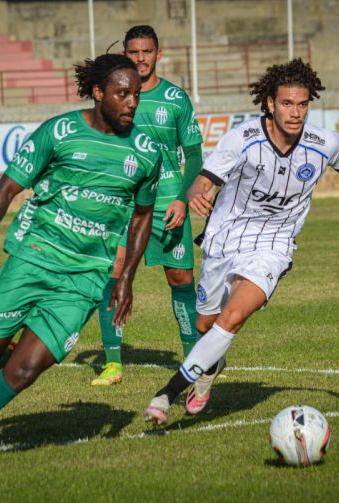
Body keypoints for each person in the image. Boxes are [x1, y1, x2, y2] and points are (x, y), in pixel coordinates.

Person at [0, 53, 162, 473]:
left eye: (136, 94)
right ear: (98, 93)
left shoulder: (147, 151)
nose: (132, 102)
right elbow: (6, 189)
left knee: (24, 372)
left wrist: (126, 277)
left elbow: (143, 215)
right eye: (122, 93)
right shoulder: (59, 132)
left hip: (84, 278)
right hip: (35, 257)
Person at [143, 58, 339, 425]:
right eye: (287, 103)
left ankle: (166, 394)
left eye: (302, 104)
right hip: (224, 240)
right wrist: (195, 194)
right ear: (270, 103)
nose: (296, 113)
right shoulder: (242, 139)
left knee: (234, 316)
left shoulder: (325, 143)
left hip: (274, 245)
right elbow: (204, 180)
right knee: (206, 326)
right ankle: (212, 364)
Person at [90, 25, 205, 386]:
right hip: (123, 202)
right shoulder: (115, 96)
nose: (141, 58)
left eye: (147, 51)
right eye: (134, 52)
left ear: (158, 54)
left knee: (180, 279)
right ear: (125, 53)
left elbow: (194, 154)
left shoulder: (175, 98)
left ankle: (194, 360)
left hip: (168, 202)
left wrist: (183, 199)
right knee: (114, 273)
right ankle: (112, 363)